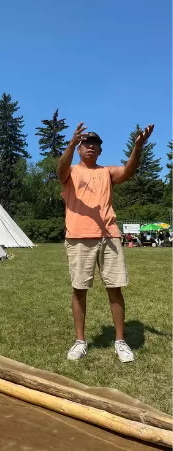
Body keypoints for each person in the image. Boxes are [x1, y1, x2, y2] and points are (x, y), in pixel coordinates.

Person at [58, 122, 154, 363]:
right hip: (79, 236)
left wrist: (138, 147)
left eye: (95, 145)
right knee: (79, 289)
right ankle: (80, 342)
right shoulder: (71, 172)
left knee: (115, 288)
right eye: (86, 144)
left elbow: (129, 171)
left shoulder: (106, 172)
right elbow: (60, 171)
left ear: (100, 152)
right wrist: (71, 143)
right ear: (79, 149)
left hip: (109, 236)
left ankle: (120, 341)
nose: (90, 147)